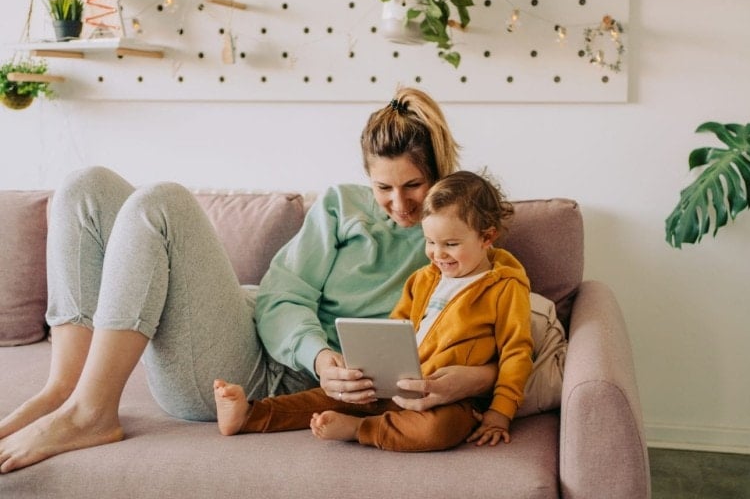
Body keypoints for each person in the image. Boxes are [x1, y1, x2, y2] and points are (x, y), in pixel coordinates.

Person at [0, 86, 497, 473]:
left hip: (258, 378)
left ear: (441, 170)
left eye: (414, 186)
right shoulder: (342, 205)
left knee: (163, 204)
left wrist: (479, 380)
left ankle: (92, 415)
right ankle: (64, 388)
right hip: (252, 327)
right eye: (383, 187)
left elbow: (503, 330)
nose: (399, 205)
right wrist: (319, 355)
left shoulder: (461, 236)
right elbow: (282, 294)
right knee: (85, 188)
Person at [213, 170, 533, 451]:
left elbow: (516, 352)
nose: (437, 254)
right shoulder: (423, 278)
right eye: (430, 242)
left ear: (487, 237)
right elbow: (395, 328)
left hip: (449, 397)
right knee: (329, 396)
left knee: (439, 430)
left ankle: (360, 429)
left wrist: (500, 412)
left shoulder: (505, 286)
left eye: (450, 244)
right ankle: (250, 415)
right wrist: (374, 370)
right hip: (397, 383)